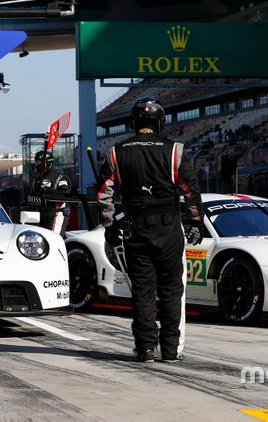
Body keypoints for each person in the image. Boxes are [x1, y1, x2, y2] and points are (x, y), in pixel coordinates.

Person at [96, 96, 203, 364]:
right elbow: (191, 191)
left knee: (143, 292)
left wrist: (110, 226)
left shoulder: (115, 152)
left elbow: (103, 194)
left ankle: (144, 349)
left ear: (134, 121)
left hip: (135, 228)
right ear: (160, 122)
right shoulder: (176, 151)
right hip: (169, 229)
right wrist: (196, 221)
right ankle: (169, 350)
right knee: (171, 291)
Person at [29, 150, 72, 237]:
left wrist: (48, 192)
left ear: (46, 163)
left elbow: (65, 194)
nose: (36, 164)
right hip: (40, 216)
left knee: (53, 240)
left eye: (38, 162)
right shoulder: (36, 181)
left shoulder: (59, 178)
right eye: (36, 162)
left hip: (56, 215)